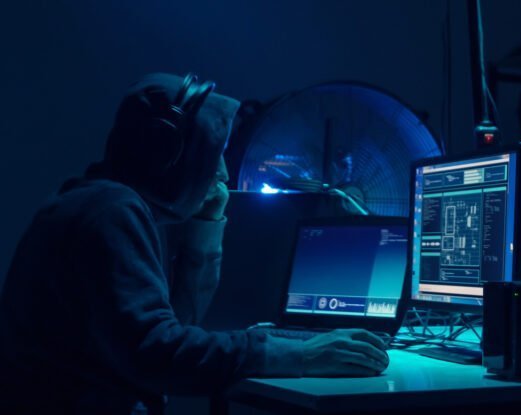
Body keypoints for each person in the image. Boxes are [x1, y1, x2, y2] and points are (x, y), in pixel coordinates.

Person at [0, 73, 388, 414]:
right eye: (212, 153)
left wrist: (205, 225)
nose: (221, 171)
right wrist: (300, 354)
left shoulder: (92, 199)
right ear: (167, 151)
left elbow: (176, 325)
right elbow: (156, 353)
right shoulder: (111, 211)